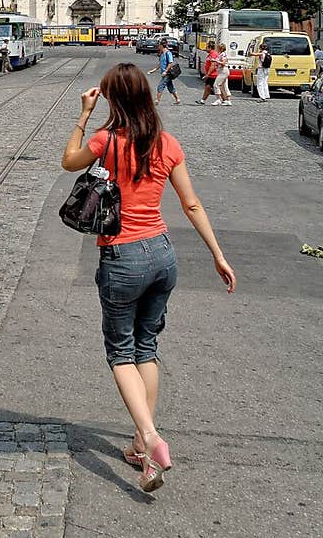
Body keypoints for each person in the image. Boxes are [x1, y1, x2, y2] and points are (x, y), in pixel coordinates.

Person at [61, 64, 235, 493]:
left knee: (120, 352)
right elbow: (191, 205)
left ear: (113, 100)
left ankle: (153, 438)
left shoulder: (106, 141)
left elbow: (68, 162)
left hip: (122, 258)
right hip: (162, 255)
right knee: (147, 348)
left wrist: (83, 115)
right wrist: (218, 255)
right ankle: (139, 443)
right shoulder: (167, 142)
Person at [148, 40, 179, 106]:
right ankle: (177, 99)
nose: (158, 47)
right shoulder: (162, 54)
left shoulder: (168, 53)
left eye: (159, 45)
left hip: (168, 74)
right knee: (170, 87)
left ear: (161, 46)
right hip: (164, 73)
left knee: (160, 86)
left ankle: (157, 101)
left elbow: (170, 63)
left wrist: (165, 71)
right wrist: (153, 70)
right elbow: (160, 64)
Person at [211, 42, 231, 106]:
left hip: (223, 71)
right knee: (224, 86)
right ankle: (228, 100)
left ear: (220, 48)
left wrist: (215, 61)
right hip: (221, 71)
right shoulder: (220, 54)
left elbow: (223, 63)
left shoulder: (223, 55)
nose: (216, 48)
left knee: (216, 85)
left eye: (218, 47)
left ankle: (218, 99)